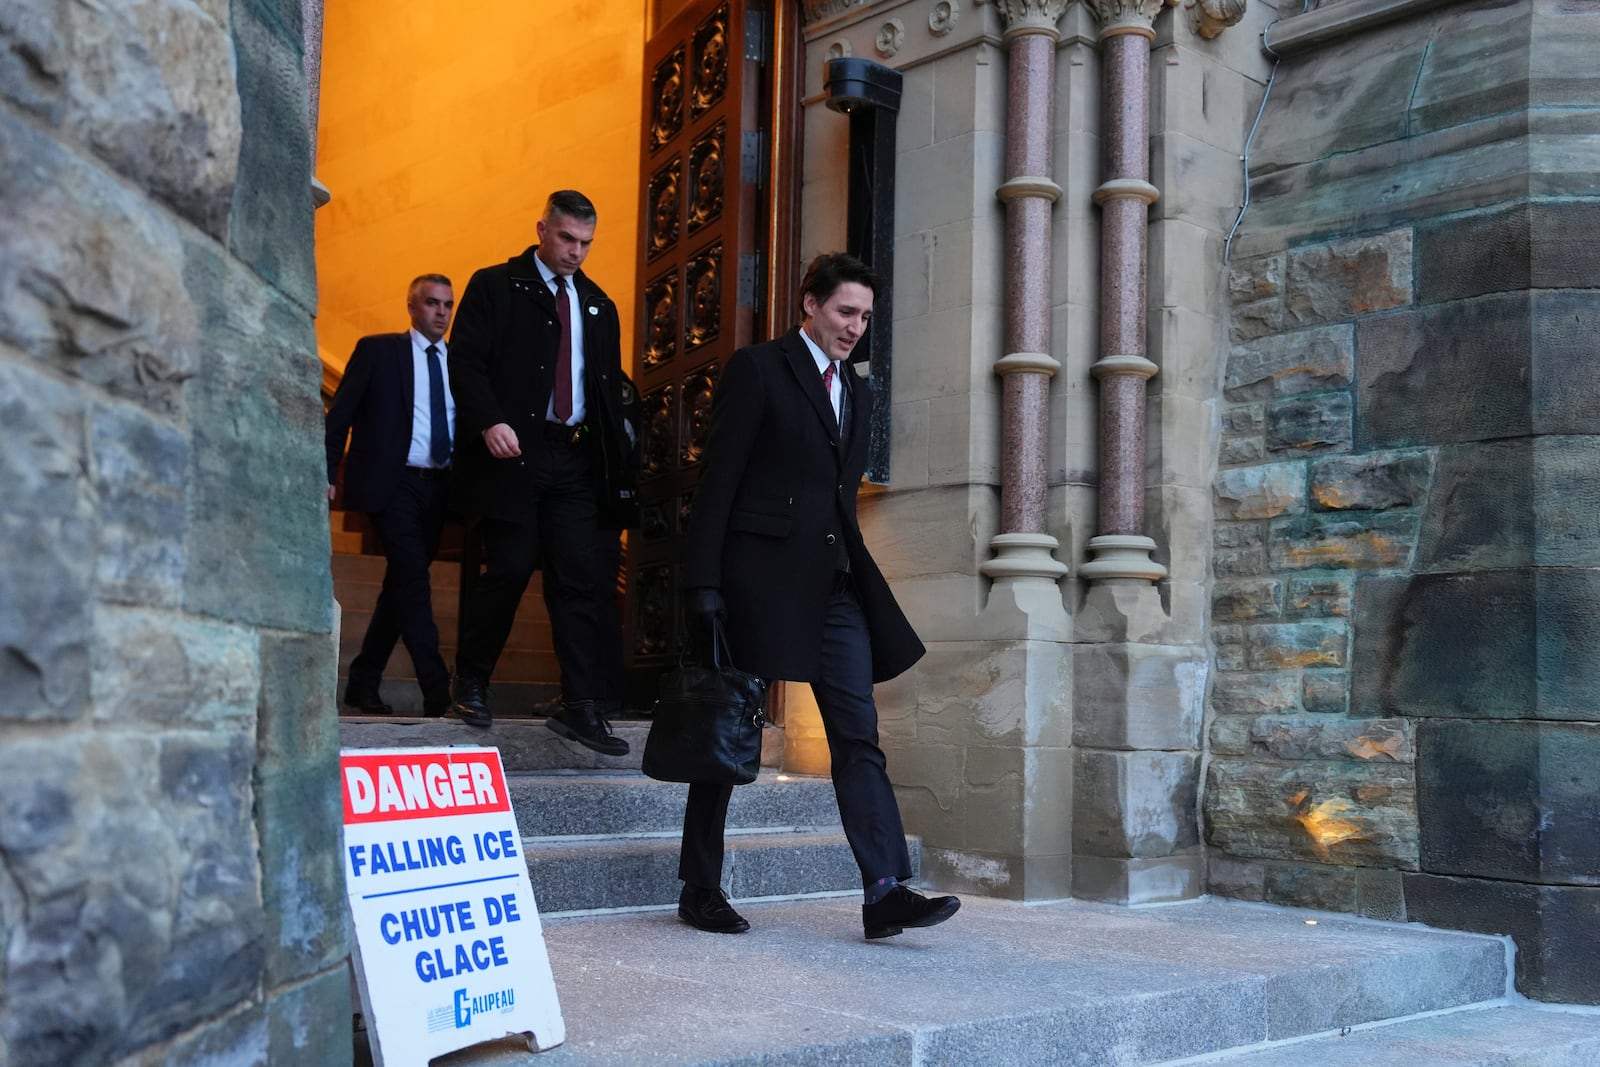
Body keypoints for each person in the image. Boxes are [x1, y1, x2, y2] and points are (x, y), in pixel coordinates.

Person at [676, 252, 960, 940]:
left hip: (833, 587)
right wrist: (703, 584)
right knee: (728, 733)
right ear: (809, 303)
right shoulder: (758, 369)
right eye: (844, 311)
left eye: (864, 315)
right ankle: (700, 886)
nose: (855, 326)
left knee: (858, 732)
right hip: (755, 579)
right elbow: (718, 482)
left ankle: (885, 888)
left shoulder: (857, 390)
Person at [446, 190, 637, 742]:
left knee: (580, 580)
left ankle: (580, 703)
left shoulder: (598, 304)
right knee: (507, 567)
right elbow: (466, 362)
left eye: (586, 243)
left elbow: (607, 390)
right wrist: (488, 421)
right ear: (541, 230)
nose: (576, 252)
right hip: (513, 453)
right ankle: (471, 682)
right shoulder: (495, 285)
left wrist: (612, 461)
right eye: (566, 239)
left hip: (573, 457)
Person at [324, 274, 457, 718]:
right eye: (432, 303)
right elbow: (339, 413)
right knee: (414, 583)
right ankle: (438, 691)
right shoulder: (379, 350)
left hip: (439, 488)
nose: (441, 312)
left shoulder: (459, 363)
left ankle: (363, 683)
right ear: (412, 307)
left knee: (400, 586)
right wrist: (326, 471)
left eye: (447, 305)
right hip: (392, 483)